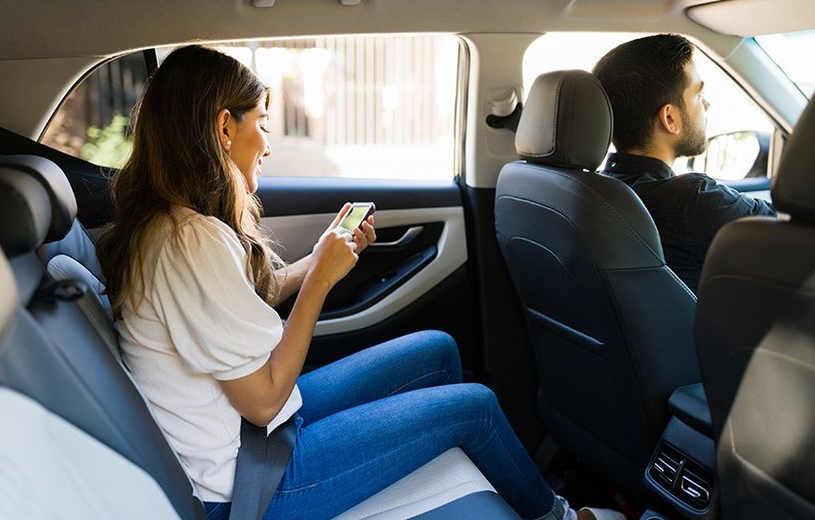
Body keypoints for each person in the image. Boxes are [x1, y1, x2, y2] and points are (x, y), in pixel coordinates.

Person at [97, 45, 623, 520]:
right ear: (223, 128)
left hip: (254, 438)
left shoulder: (171, 225)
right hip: (251, 483)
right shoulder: (190, 242)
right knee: (477, 409)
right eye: (262, 121)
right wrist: (319, 283)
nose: (268, 144)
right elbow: (262, 399)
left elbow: (242, 305)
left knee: (437, 350)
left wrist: (319, 257)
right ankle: (559, 517)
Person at [593, 34, 776, 294]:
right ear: (670, 118)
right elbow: (791, 233)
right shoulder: (692, 201)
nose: (707, 105)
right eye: (698, 96)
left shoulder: (592, 191)